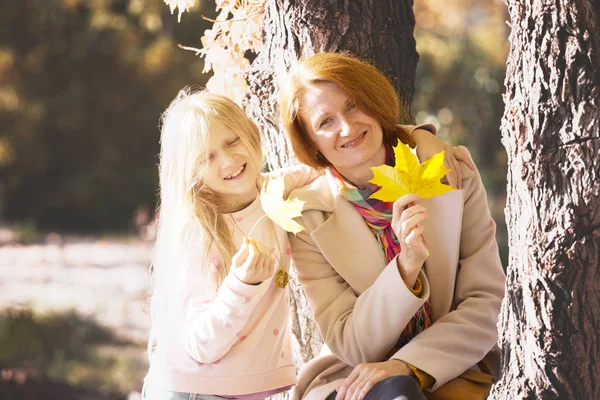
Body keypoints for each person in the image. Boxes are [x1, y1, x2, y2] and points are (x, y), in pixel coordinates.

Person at [279, 52, 506, 400]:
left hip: (450, 369)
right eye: (326, 122)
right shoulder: (308, 219)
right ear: (311, 143)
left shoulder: (450, 172)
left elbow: (487, 301)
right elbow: (349, 343)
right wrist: (405, 268)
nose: (347, 127)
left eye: (354, 105)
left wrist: (407, 364)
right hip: (354, 382)